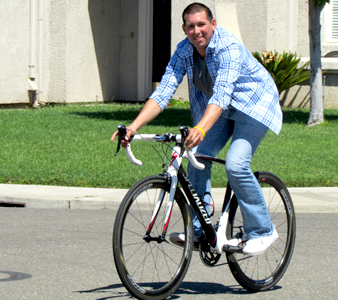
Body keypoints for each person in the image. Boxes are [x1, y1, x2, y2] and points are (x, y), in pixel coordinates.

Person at [111, 2, 282, 256]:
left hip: (254, 105)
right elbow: (163, 92)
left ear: (213, 24)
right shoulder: (183, 51)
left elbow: (222, 94)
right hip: (221, 108)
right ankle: (201, 227)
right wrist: (134, 127)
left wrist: (200, 128)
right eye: (190, 26)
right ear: (184, 29)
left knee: (236, 164)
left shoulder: (228, 48)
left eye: (201, 24)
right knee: (197, 153)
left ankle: (262, 230)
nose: (196, 31)